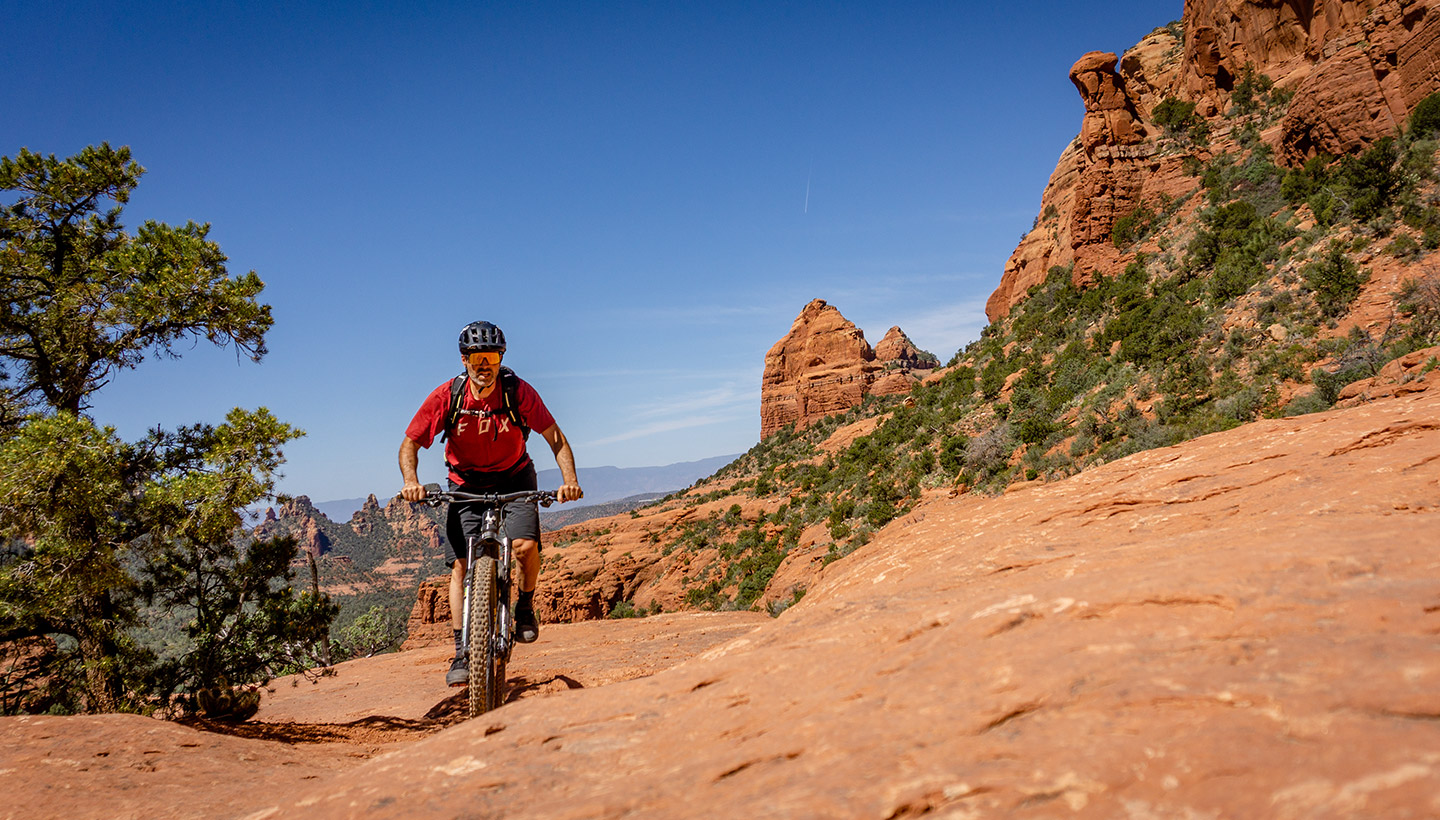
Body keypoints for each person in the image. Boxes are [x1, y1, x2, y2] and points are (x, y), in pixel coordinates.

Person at [399, 320, 582, 686]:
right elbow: (410, 444)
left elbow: (555, 437)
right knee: (460, 567)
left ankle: (525, 606)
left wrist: (570, 482)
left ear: (501, 359)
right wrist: (411, 481)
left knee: (525, 547)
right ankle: (461, 651)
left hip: (514, 476)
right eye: (477, 357)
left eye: (492, 357)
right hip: (465, 483)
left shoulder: (517, 392)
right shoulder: (447, 397)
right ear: (464, 360)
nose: (485, 365)